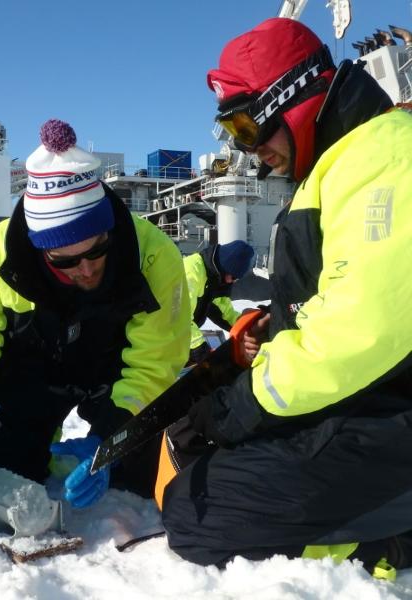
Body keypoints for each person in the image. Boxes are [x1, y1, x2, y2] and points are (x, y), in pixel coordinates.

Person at [160, 18, 412, 578]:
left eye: (249, 130)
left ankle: (390, 546)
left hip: (391, 413)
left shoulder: (388, 158)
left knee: (199, 516)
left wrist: (243, 406)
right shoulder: (338, 164)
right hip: (369, 402)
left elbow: (356, 332)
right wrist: (266, 336)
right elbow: (330, 300)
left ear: (295, 98)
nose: (248, 153)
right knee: (196, 464)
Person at [0, 119, 190, 507]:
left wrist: (109, 440)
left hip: (112, 370)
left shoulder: (155, 256)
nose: (88, 268)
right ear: (40, 248)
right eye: (66, 260)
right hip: (34, 370)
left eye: (97, 249)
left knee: (139, 476)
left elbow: (153, 363)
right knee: (7, 464)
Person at [184, 240, 254, 364]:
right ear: (224, 267)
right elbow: (179, 315)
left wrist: (247, 326)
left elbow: (224, 312)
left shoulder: (215, 278)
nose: (231, 282)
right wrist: (198, 347)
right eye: (232, 277)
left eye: (236, 279)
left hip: (177, 340)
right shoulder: (191, 271)